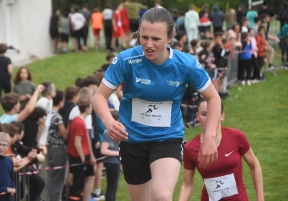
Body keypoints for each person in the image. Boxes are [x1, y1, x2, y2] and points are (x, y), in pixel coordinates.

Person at [92, 7, 221, 201]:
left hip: (167, 137)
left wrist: (210, 136)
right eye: (144, 37)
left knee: (161, 196)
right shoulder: (127, 60)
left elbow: (214, 98)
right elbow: (98, 97)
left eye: (156, 39)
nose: (149, 45)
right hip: (132, 139)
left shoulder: (185, 64)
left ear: (170, 38)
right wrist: (110, 123)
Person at [179, 99, 264, 201]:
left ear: (222, 116)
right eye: (204, 114)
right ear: (197, 116)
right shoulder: (191, 148)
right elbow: (187, 185)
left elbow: (254, 165)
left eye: (213, 114)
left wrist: (260, 199)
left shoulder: (236, 136)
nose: (209, 119)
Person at [67, 93, 95, 201]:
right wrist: (83, 158)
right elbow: (77, 143)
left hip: (78, 155)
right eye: (91, 107)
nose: (92, 109)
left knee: (79, 182)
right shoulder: (79, 123)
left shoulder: (76, 120)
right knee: (77, 185)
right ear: (86, 109)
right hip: (78, 156)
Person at [47, 90, 68, 201]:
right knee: (58, 179)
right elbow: (64, 135)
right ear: (60, 102)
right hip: (58, 149)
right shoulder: (57, 117)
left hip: (49, 148)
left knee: (51, 177)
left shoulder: (47, 113)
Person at [100, 110, 120, 201]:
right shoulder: (109, 132)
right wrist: (119, 153)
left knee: (114, 186)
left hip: (115, 162)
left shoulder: (114, 131)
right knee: (111, 187)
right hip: (112, 162)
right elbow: (103, 150)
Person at [0, 43, 13, 119]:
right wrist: (11, 77)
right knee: (8, 96)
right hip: (6, 79)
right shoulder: (7, 59)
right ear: (5, 50)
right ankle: (9, 110)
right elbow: (10, 70)